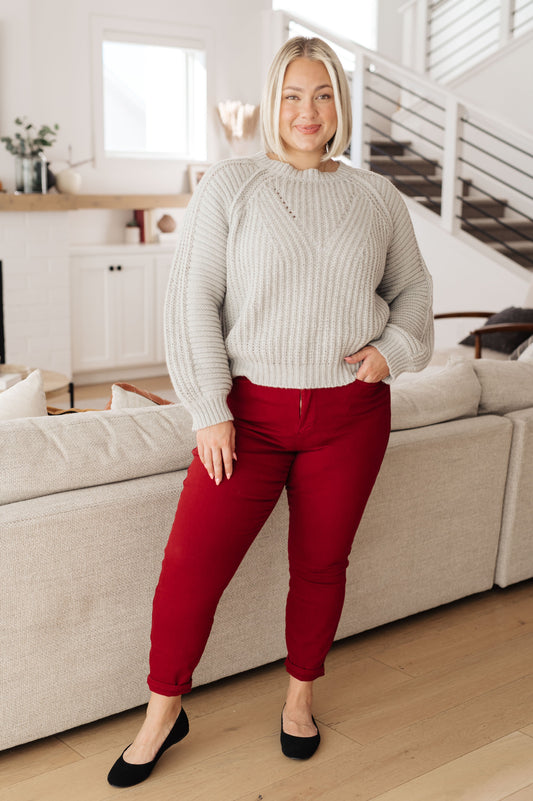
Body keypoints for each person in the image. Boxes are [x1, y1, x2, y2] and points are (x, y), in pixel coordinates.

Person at [107, 35, 433, 788]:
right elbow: (192, 298)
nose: (307, 111)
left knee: (319, 565)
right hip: (245, 416)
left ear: (339, 106)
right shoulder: (231, 185)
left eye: (322, 95)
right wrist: (207, 408)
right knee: (190, 567)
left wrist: (392, 350)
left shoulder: (375, 196)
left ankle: (299, 697)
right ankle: (162, 710)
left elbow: (413, 292)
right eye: (292, 95)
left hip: (350, 414)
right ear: (272, 104)